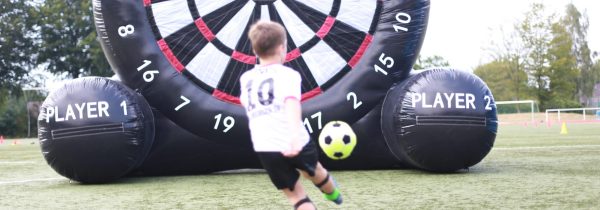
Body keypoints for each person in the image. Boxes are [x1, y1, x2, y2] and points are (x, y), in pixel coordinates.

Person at [239, 20, 342, 210]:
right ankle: (333, 195)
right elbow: (292, 104)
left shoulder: (246, 79)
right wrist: (294, 136)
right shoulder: (288, 74)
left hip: (265, 146)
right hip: (295, 141)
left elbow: (245, 102)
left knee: (296, 197)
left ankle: (327, 195)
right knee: (316, 171)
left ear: (254, 51)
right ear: (281, 48)